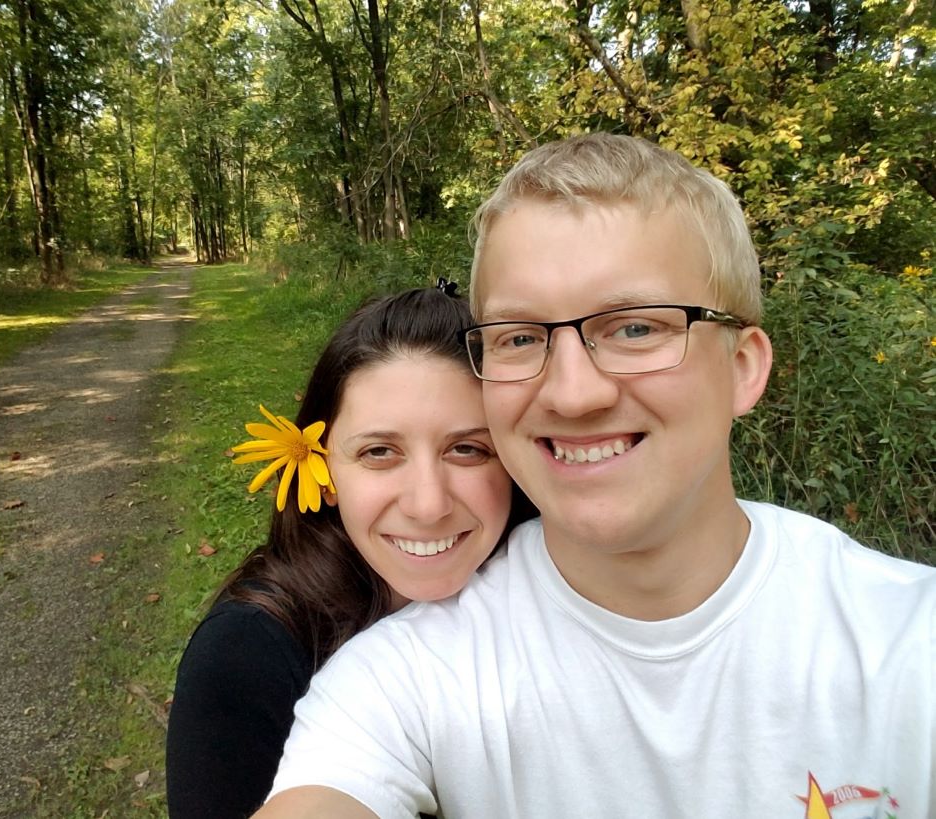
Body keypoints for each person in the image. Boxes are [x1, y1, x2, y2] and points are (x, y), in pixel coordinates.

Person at [253, 134, 936, 817]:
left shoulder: (907, 645)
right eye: (520, 337)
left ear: (742, 366)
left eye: (635, 328)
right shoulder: (403, 681)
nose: (573, 394)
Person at [165, 286, 535, 818]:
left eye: (467, 449)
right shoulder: (248, 658)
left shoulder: (556, 593)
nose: (428, 505)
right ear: (324, 471)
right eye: (379, 452)